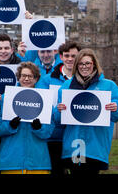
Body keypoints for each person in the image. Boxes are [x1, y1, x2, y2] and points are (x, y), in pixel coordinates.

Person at [55, 48, 118, 175]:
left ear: (94, 64)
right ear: (77, 65)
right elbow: (58, 119)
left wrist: (116, 108)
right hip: (73, 144)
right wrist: (58, 110)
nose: (84, 66)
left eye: (88, 63)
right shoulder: (66, 87)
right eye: (81, 64)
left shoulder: (109, 86)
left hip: (96, 146)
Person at [0, 62, 54, 174]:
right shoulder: (5, 99)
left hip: (37, 161)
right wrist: (10, 126)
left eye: (30, 76)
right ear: (18, 77)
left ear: (36, 79)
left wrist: (39, 128)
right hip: (11, 161)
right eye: (23, 76)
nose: (26, 79)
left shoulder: (45, 100)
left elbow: (48, 132)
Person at [36, 41, 81, 175]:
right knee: (56, 171)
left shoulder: (85, 81)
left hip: (77, 137)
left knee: (79, 170)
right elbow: (41, 107)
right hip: (54, 137)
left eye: (74, 56)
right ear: (60, 56)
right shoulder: (46, 80)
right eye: (66, 55)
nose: (70, 59)